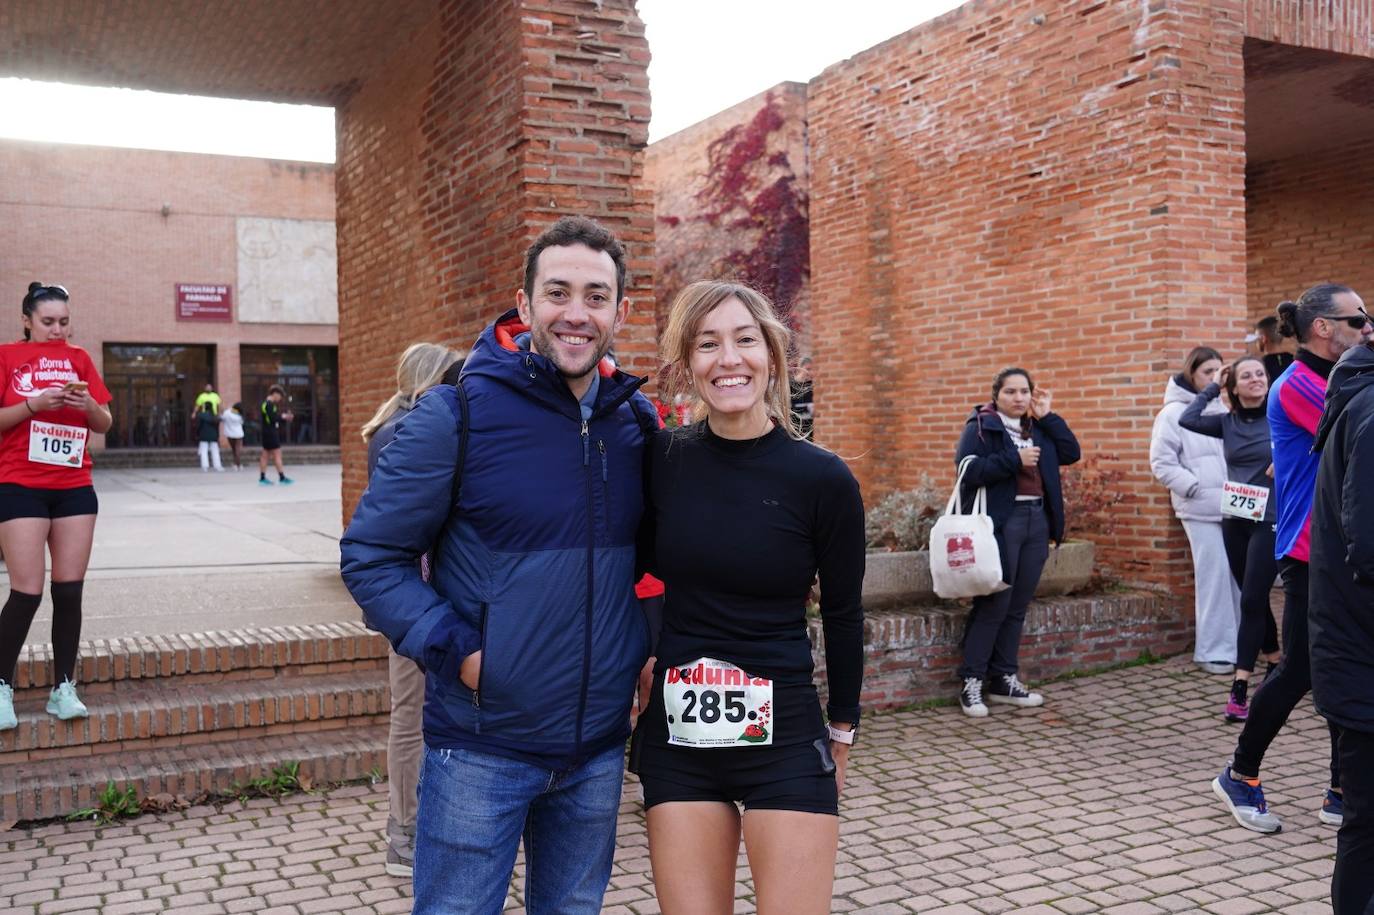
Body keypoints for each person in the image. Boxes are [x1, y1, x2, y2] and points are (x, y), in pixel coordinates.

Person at [340, 216, 657, 914]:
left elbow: (659, 556)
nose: (577, 313)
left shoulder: (636, 427)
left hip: (597, 750)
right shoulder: (456, 416)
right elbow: (370, 555)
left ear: (620, 312)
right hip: (481, 749)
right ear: (524, 304)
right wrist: (462, 652)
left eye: (596, 296)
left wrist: (643, 640)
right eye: (559, 292)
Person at [631, 281, 863, 915]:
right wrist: (641, 659)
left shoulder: (822, 478)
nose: (727, 359)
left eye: (744, 340)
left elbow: (844, 613)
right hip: (680, 740)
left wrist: (842, 727)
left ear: (772, 356)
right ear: (688, 363)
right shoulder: (662, 460)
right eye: (708, 344)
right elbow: (634, 570)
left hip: (785, 736)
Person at [1212, 283, 1371, 834]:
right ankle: (1240, 773)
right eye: (1358, 320)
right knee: (1301, 668)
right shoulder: (1299, 385)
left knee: (1346, 665)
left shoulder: (1336, 378)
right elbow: (1352, 440)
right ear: (1323, 328)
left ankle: (1341, 789)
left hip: (1340, 544)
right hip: (1310, 549)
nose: (1368, 327)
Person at [358, 342, 463, 879]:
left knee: (411, 711)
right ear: (430, 379)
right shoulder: (410, 429)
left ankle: (411, 828)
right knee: (412, 714)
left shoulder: (390, 426)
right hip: (418, 596)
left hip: (408, 598)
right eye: (452, 376)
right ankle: (405, 833)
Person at [0, 282, 113, 730]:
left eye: (64, 322)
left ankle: (63, 688)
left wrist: (87, 404)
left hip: (74, 484)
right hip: (20, 484)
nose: (57, 329)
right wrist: (32, 404)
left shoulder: (79, 358)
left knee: (68, 591)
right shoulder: (7, 355)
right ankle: (1, 687)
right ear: (27, 319)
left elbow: (104, 422)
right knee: (25, 592)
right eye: (48, 322)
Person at [953, 367, 1080, 717]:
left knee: (1018, 604)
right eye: (1011, 392)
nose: (1019, 398)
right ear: (997, 395)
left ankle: (1004, 678)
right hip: (1001, 524)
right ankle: (972, 681)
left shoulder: (1038, 426)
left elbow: (1071, 452)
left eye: (1025, 391)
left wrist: (1049, 415)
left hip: (1037, 521)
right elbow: (967, 470)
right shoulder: (981, 425)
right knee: (995, 601)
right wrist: (1014, 460)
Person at [1180, 356, 1281, 723]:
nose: (1255, 378)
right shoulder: (1227, 422)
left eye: (1260, 373)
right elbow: (1187, 419)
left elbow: (1317, 443)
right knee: (1250, 597)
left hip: (1270, 519)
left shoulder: (1282, 418)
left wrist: (1286, 458)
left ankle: (1239, 686)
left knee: (1253, 597)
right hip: (1235, 519)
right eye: (1245, 375)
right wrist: (1213, 385)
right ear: (1234, 387)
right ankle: (1274, 660)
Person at [1310, 340, 1374, 915]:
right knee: (1367, 826)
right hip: (1362, 653)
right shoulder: (1371, 410)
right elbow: (1370, 548)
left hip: (1355, 647)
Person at [1149, 346, 1241, 675]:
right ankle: (1213, 651)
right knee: (1213, 576)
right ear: (1192, 373)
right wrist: (1193, 487)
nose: (1213, 378)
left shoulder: (1222, 407)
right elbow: (1161, 462)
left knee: (1235, 577)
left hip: (1232, 506)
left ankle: (1238, 646)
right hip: (1199, 507)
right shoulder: (1172, 413)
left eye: (1218, 371)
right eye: (1207, 372)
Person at [258, 385, 293, 486]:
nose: (280, 399)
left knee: (265, 455)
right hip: (270, 433)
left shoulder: (267, 404)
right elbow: (273, 419)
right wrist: (284, 417)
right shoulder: (268, 405)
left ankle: (262, 478)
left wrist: (282, 417)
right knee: (277, 454)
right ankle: (282, 477)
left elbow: (272, 417)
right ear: (275, 394)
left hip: (267, 432)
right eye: (280, 396)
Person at [1255, 315, 1295, 384]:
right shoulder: (1295, 361)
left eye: (1257, 338)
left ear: (1263, 339)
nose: (1256, 341)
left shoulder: (1259, 365)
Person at [790, 355, 814, 439]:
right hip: (797, 431)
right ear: (800, 369)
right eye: (808, 369)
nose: (810, 372)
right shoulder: (791, 386)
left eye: (813, 369)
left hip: (813, 432)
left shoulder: (815, 386)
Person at [194, 401, 223, 472]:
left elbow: (198, 426)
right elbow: (217, 425)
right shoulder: (214, 416)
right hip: (213, 435)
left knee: (204, 451)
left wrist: (197, 434)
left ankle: (205, 466)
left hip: (203, 435)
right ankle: (217, 466)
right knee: (215, 451)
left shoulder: (201, 415)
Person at [220, 402, 246, 470]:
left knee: (233, 449)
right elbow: (242, 423)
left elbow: (222, 418)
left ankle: (235, 464)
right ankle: (238, 464)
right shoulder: (239, 415)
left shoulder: (227, 412)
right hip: (238, 434)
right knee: (237, 450)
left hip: (229, 434)